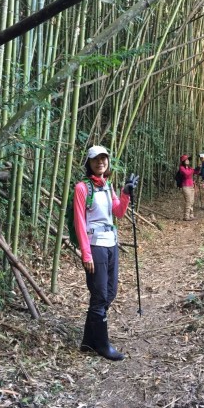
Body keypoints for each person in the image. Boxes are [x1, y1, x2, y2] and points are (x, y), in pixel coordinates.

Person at [73, 145, 138, 361]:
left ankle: (88, 340)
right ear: (89, 163)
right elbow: (79, 222)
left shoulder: (108, 186)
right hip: (95, 246)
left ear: (108, 162)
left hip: (111, 244)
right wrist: (86, 254)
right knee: (100, 295)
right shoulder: (82, 188)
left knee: (110, 293)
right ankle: (102, 345)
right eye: (96, 159)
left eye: (104, 158)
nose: (100, 162)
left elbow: (118, 212)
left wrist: (125, 193)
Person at [179, 154, 198, 220]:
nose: (187, 161)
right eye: (186, 160)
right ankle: (186, 216)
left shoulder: (190, 168)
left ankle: (191, 215)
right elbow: (187, 174)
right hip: (186, 186)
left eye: (188, 159)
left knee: (192, 201)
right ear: (183, 161)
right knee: (188, 201)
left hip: (191, 186)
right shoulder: (181, 168)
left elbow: (195, 172)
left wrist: (198, 169)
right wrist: (193, 170)